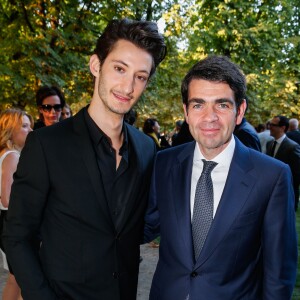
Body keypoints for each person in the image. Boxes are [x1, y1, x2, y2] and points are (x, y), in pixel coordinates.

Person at [3, 18, 166, 300]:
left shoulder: (145, 148)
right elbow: (17, 237)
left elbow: (132, 228)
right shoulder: (46, 145)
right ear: (95, 65)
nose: (128, 87)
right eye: (119, 68)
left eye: (140, 76)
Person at [144, 55, 297, 299]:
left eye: (222, 105)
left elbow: (279, 272)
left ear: (239, 111)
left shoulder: (272, 176)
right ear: (186, 111)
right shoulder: (165, 163)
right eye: (198, 104)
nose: (209, 117)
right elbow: (145, 225)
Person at [0, 108, 33, 300]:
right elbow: (7, 198)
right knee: (22, 278)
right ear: (10, 129)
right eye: (24, 126)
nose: (29, 130)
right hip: (12, 222)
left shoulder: (6, 154)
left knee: (16, 279)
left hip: (7, 221)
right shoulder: (12, 156)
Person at [266, 115, 300, 211]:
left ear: (283, 128)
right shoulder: (270, 144)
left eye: (273, 125)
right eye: (269, 124)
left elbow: (296, 175)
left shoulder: (293, 147)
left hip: (285, 194)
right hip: (270, 193)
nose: (269, 127)